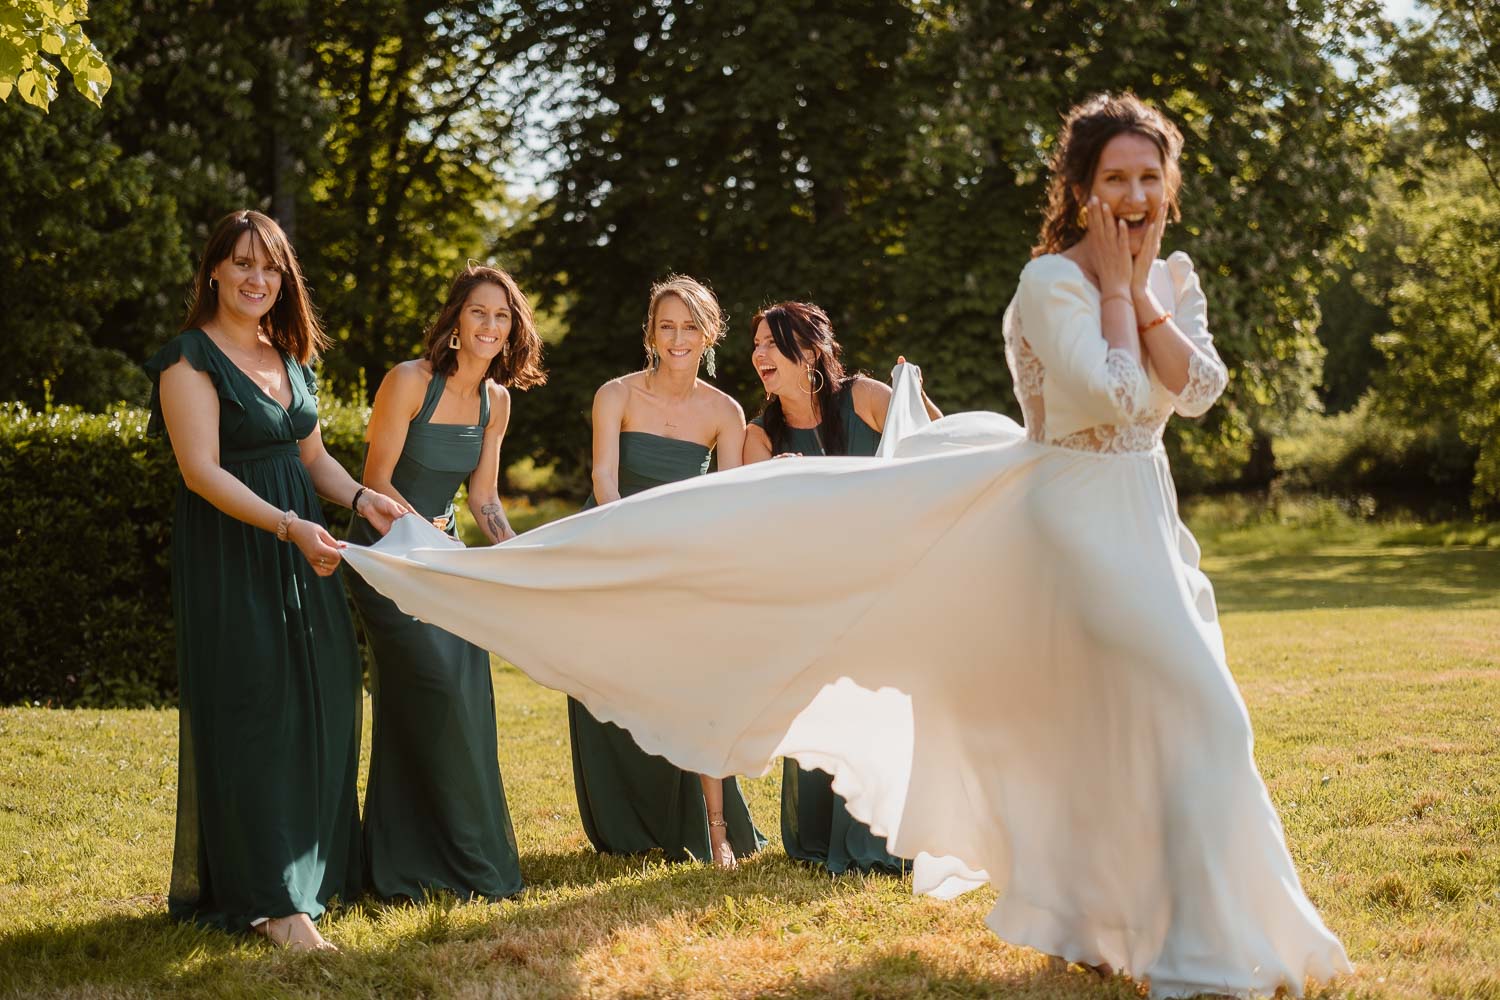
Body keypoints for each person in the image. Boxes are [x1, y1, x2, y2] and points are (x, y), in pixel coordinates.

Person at [344, 94, 1351, 996]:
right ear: (1081, 188)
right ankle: (1169, 937)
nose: (1134, 194)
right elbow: (1115, 393)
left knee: (1125, 721)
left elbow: (1203, 387)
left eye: (1149, 175)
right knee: (1203, 712)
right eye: (1115, 177)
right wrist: (1134, 302)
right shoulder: (1051, 282)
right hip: (1075, 520)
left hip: (1148, 512)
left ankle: (1109, 921)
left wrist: (1147, 293)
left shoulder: (1169, 274)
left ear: (1166, 183)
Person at [145, 209, 405, 951]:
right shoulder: (188, 357)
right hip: (238, 552)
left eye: (271, 267)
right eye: (243, 264)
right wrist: (288, 527)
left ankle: (314, 876)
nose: (258, 279)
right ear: (215, 271)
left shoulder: (287, 353)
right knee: (255, 708)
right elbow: (201, 473)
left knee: (320, 700)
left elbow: (312, 461)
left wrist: (362, 499)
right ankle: (270, 901)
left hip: (304, 548)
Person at [346, 263, 545, 902]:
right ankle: (415, 863)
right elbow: (375, 480)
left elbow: (483, 496)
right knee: (433, 688)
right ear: (456, 323)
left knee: (465, 694)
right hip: (389, 555)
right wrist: (428, 538)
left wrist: (514, 554)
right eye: (479, 312)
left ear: (512, 330)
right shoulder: (409, 381)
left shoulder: (497, 401)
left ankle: (450, 863)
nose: (490, 325)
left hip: (446, 560)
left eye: (502, 316)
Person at [566, 274, 765, 870]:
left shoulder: (725, 411)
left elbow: (726, 501)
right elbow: (604, 482)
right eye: (667, 326)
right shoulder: (617, 395)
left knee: (693, 686)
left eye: (691, 326)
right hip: (612, 548)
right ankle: (625, 822)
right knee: (603, 685)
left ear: (710, 334)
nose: (679, 338)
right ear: (651, 333)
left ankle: (713, 829)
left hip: (682, 559)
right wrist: (630, 551)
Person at [743, 301, 938, 875]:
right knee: (824, 708)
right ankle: (821, 834)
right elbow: (757, 525)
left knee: (879, 704)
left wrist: (913, 392)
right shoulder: (761, 435)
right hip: (814, 592)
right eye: (754, 345)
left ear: (809, 352)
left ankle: (884, 838)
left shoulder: (863, 397)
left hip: (884, 582)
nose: (757, 356)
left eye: (769, 344)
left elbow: (932, 444)